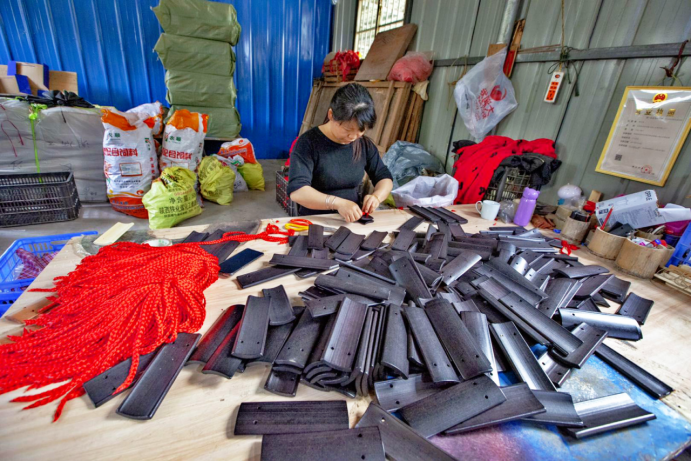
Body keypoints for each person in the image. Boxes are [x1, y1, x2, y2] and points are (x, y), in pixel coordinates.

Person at [288, 83, 393, 222]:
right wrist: (336, 203)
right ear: (331, 115)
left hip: (351, 220)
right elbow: (297, 191)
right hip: (315, 220)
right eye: (347, 130)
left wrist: (376, 197)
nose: (353, 137)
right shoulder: (308, 143)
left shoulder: (364, 145)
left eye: (360, 131)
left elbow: (384, 177)